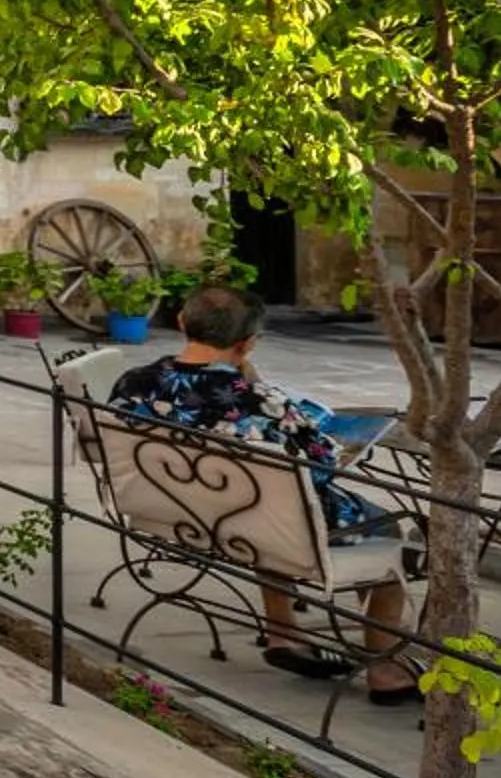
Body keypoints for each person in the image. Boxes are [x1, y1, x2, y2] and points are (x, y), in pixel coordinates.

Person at [107, 285, 417, 701]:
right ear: (248, 344)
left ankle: (283, 631)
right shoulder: (262, 402)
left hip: (185, 510)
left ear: (181, 323)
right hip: (266, 521)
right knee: (387, 529)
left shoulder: (134, 383)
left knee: (266, 507)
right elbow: (322, 465)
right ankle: (384, 666)